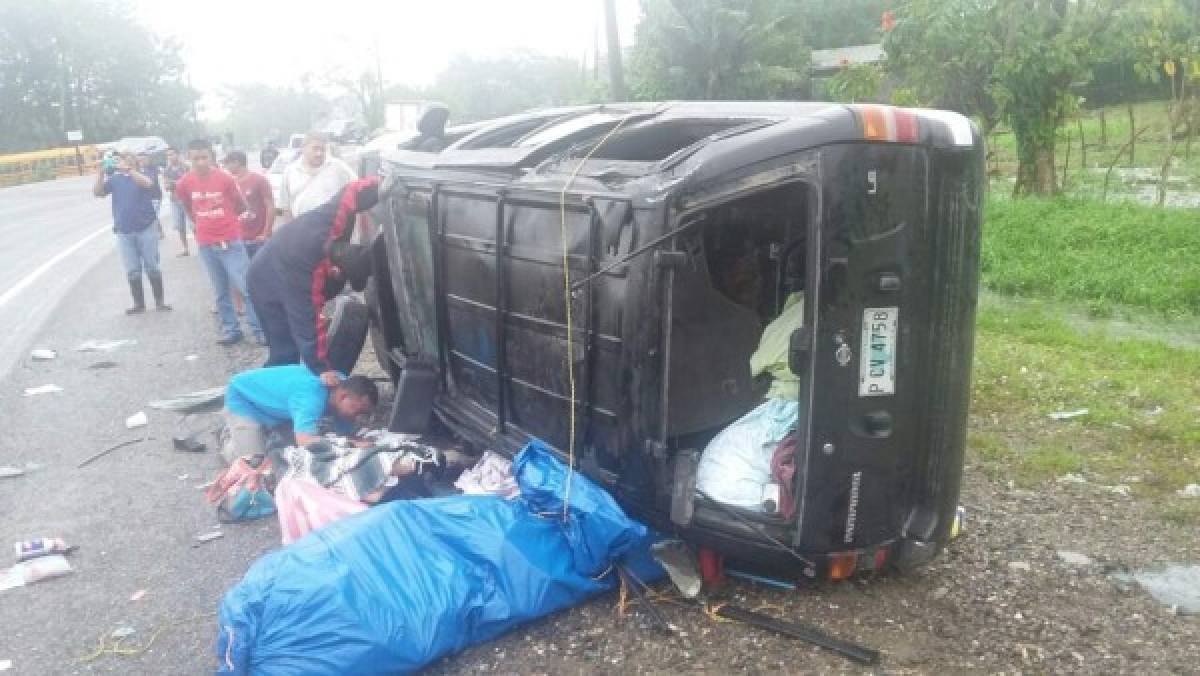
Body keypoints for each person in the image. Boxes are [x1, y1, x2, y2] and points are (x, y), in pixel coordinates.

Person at [248, 177, 379, 384]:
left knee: (301, 333)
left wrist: (383, 182)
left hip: (284, 257)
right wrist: (321, 368)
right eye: (343, 274)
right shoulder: (306, 271)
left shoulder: (333, 220)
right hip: (265, 281)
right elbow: (306, 320)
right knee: (285, 350)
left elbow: (351, 191)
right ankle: (269, 396)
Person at [174, 138, 265, 345]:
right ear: (188, 159)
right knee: (220, 289)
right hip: (206, 243)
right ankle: (231, 329)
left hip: (230, 241)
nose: (200, 162)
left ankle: (259, 329)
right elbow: (188, 207)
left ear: (211, 157)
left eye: (204, 157)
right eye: (195, 158)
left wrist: (224, 220)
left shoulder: (225, 179)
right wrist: (201, 223)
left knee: (245, 286)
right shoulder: (184, 183)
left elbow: (241, 205)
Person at [221, 364, 378, 463]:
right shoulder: (311, 398)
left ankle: (256, 430)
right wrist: (351, 444)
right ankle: (229, 436)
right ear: (343, 396)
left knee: (285, 451)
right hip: (244, 397)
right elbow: (304, 440)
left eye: (361, 413)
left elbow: (343, 430)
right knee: (253, 463)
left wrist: (353, 438)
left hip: (275, 404)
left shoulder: (340, 384)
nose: (357, 417)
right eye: (356, 410)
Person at [92, 151, 171, 314]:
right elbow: (98, 193)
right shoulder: (115, 179)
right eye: (120, 160)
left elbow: (148, 184)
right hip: (124, 231)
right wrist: (100, 174)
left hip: (146, 228)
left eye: (125, 160)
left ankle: (159, 302)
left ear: (133, 162)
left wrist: (129, 170)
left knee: (152, 267)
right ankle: (139, 304)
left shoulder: (144, 173)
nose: (121, 163)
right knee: (132, 270)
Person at [278, 131, 356, 223]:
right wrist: (290, 231)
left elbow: (357, 190)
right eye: (315, 149)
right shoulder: (290, 171)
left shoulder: (338, 167)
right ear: (304, 149)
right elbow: (285, 207)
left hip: (332, 230)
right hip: (301, 229)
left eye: (322, 149)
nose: (319, 153)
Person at [221, 151, 275, 258]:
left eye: (227, 164)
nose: (225, 168)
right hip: (238, 240)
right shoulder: (230, 183)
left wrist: (266, 232)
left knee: (261, 272)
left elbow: (270, 205)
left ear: (236, 163)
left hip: (258, 239)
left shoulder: (259, 180)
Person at [161, 147, 193, 256]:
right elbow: (166, 186)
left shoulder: (186, 167)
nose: (170, 157)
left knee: (193, 224)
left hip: (188, 200)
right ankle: (185, 248)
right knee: (179, 226)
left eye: (172, 154)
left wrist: (174, 183)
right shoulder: (166, 170)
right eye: (168, 155)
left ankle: (202, 246)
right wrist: (176, 183)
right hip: (174, 200)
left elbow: (189, 182)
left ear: (178, 154)